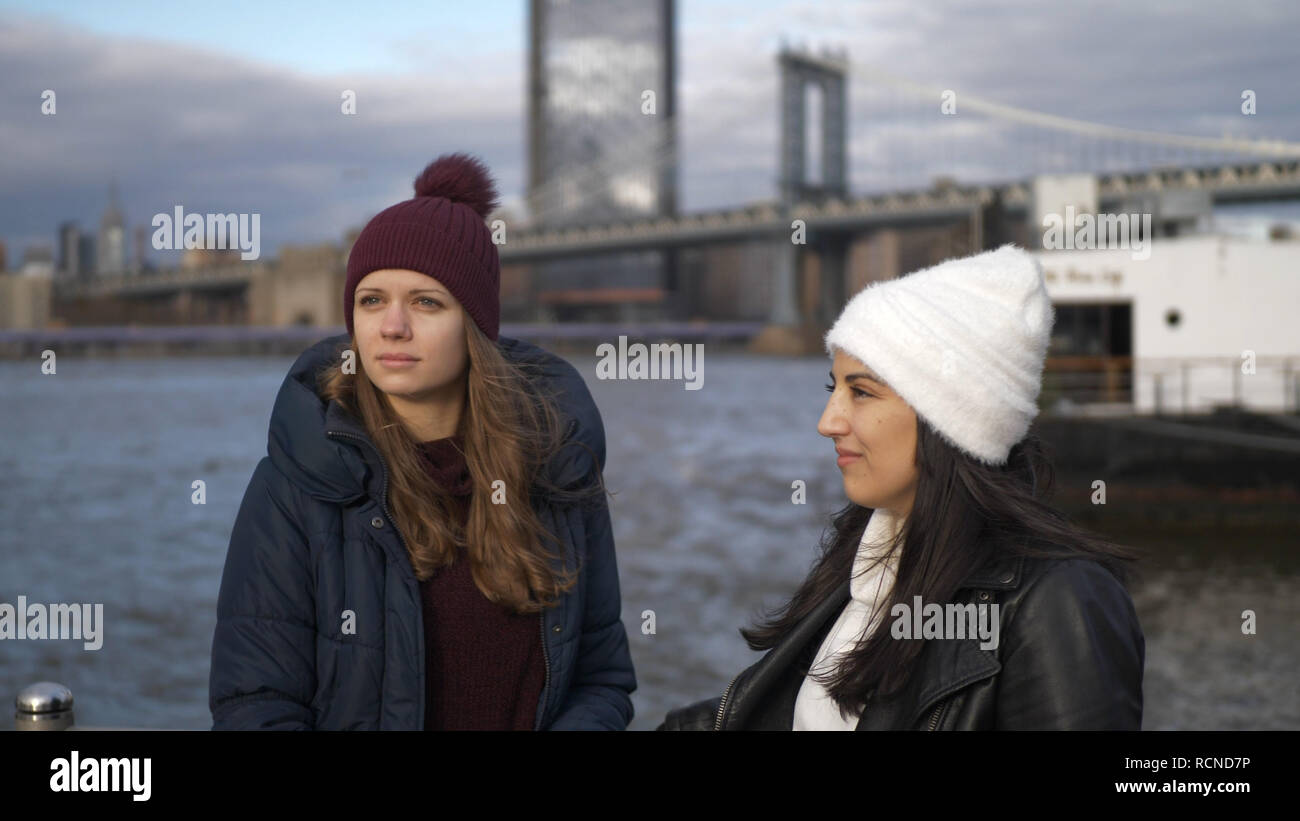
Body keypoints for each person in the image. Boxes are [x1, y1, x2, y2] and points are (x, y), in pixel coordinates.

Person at [209, 153, 636, 730]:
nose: (392, 326)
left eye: (426, 302)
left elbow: (600, 681)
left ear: (476, 326)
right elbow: (254, 704)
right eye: (372, 300)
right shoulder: (299, 481)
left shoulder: (557, 465)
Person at [657, 244, 1144, 730]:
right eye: (835, 389)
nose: (828, 421)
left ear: (948, 420)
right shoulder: (868, 557)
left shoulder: (1059, 602)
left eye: (862, 392)